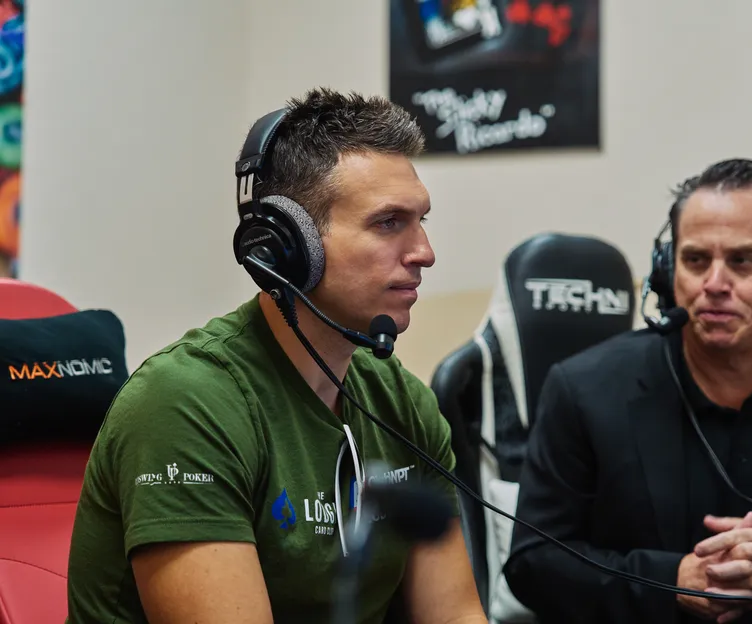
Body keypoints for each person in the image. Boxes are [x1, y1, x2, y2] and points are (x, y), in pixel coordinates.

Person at [66, 88, 487, 624]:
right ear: (287, 244)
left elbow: (455, 616)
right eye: (388, 223)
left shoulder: (401, 401)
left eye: (421, 220)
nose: (424, 252)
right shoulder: (186, 404)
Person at [502, 158, 752, 624]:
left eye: (743, 260)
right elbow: (533, 561)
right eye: (696, 260)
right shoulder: (583, 388)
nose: (715, 284)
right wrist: (669, 581)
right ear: (667, 270)